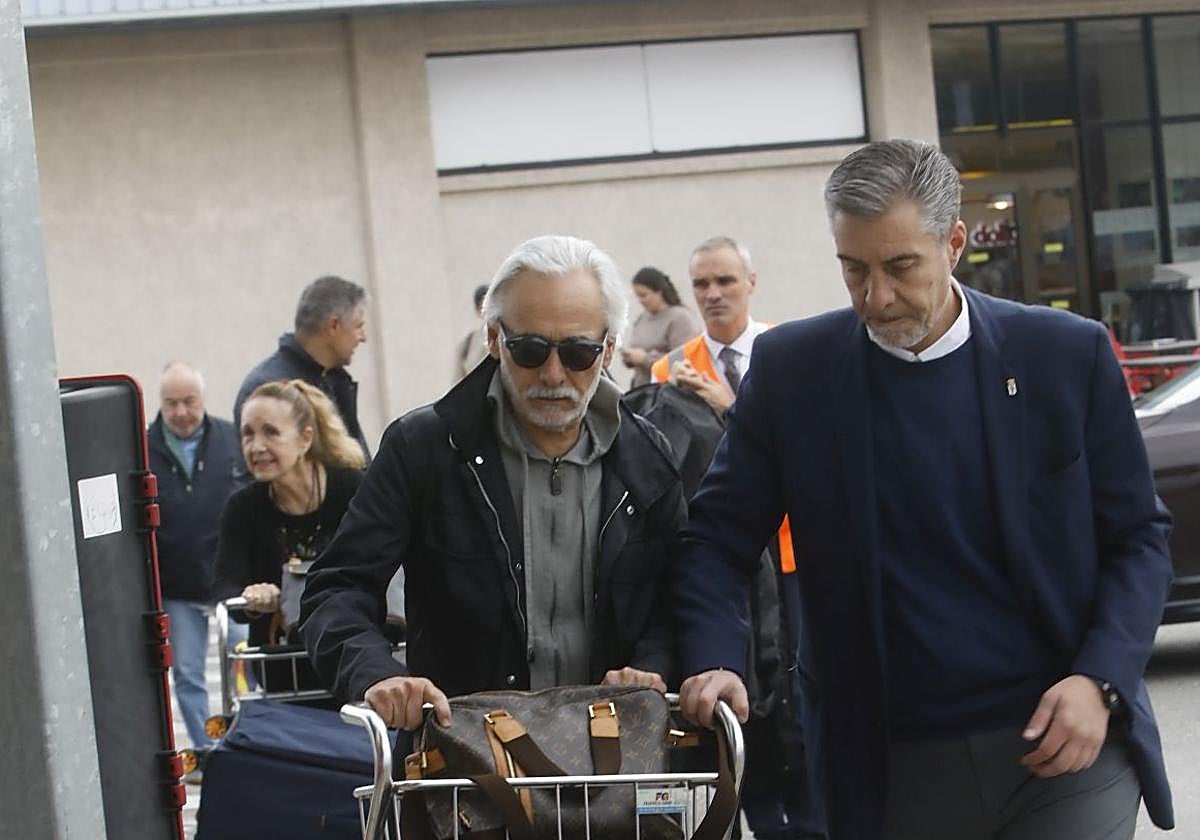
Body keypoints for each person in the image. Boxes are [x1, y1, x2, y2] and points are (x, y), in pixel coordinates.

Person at [675, 139, 1174, 840]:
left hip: (1066, 745)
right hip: (889, 764)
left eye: (901, 266)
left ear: (956, 243)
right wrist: (717, 659)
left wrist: (1101, 680)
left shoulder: (1066, 355)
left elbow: (1139, 540)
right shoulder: (795, 374)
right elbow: (716, 539)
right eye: (855, 270)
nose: (876, 296)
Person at [299, 234, 685, 730]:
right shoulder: (424, 448)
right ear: (493, 339)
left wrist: (651, 667)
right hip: (461, 771)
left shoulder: (648, 458)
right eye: (528, 349)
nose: (551, 373)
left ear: (608, 349)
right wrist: (376, 674)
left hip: (613, 769)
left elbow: (678, 599)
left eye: (577, 352)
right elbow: (338, 587)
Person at [649, 237, 824, 839]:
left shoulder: (791, 354)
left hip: (795, 557)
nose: (713, 294)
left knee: (801, 700)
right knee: (744, 693)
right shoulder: (669, 368)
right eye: (701, 284)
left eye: (724, 280)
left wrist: (729, 406)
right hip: (729, 563)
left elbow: (808, 458)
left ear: (752, 281)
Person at [214, 380, 366, 661]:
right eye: (247, 434)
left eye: (271, 433)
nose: (256, 446)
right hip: (283, 666)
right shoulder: (241, 508)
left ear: (305, 439)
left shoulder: (353, 490)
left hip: (356, 655)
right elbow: (225, 585)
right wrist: (252, 597)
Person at [148, 361, 240, 760]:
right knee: (186, 672)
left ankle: (242, 739)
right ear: (161, 405)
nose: (181, 412)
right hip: (178, 586)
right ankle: (207, 749)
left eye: (189, 401)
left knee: (242, 662)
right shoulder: (143, 446)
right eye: (172, 404)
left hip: (228, 579)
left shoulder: (229, 438)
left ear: (202, 399)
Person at [234, 275, 370, 466]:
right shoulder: (268, 389)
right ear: (334, 325)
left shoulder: (336, 381)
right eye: (358, 326)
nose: (363, 337)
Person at [620, 266, 698, 388]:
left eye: (643, 295)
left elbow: (683, 362)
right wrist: (629, 358)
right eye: (637, 296)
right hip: (641, 391)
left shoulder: (679, 318)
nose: (640, 300)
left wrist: (645, 359)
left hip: (666, 393)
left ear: (659, 292)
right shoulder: (643, 318)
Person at [454, 283, 491, 381]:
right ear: (477, 309)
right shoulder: (466, 345)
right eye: (482, 307)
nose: (486, 311)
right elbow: (457, 384)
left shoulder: (504, 339)